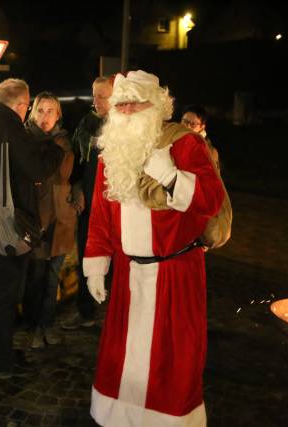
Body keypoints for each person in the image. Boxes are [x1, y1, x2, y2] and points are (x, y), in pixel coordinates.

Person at [83, 70, 225, 426]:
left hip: (175, 273)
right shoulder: (111, 152)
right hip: (130, 276)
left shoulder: (184, 145)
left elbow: (211, 200)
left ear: (157, 106)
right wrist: (97, 263)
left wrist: (173, 176)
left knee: (171, 360)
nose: (128, 110)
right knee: (123, 356)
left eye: (137, 102)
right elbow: (101, 216)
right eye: (122, 103)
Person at [0, 79, 65, 379]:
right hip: (9, 227)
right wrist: (55, 150)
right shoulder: (11, 128)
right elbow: (37, 168)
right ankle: (1, 359)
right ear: (21, 104)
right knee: (7, 294)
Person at [22, 92, 76, 349]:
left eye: (50, 111)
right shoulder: (26, 140)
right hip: (36, 220)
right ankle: (32, 328)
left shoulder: (64, 141)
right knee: (35, 278)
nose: (45, 116)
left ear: (58, 115)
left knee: (53, 278)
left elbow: (74, 176)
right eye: (40, 110)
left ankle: (47, 324)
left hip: (62, 218)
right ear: (33, 112)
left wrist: (77, 199)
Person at [61, 75, 114, 330]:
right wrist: (77, 185)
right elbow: (77, 162)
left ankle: (118, 315)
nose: (96, 101)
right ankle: (86, 310)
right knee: (87, 255)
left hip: (118, 209)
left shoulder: (127, 125)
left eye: (102, 95)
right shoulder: (88, 123)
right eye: (94, 94)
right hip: (91, 208)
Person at [181, 104, 220, 171]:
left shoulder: (209, 152)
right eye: (185, 121)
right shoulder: (174, 137)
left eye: (193, 124)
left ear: (202, 127)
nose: (187, 127)